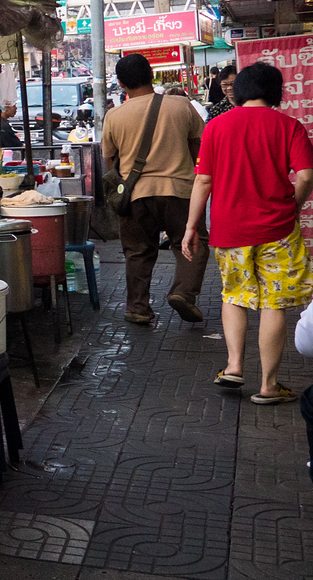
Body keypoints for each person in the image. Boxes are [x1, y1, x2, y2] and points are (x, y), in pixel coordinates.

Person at [182, 62, 313, 405]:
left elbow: (204, 180)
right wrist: (293, 206)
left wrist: (191, 226)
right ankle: (269, 386)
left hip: (229, 229)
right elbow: (306, 176)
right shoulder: (289, 126)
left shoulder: (217, 126)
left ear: (238, 90)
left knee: (234, 295)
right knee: (274, 302)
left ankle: (234, 366)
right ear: (275, 92)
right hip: (279, 230)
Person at [102, 53, 208, 324]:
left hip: (136, 195)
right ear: (152, 75)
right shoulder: (181, 106)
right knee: (192, 241)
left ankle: (137, 308)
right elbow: (200, 148)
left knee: (137, 250)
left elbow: (111, 161)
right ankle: (183, 292)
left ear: (121, 83)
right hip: (181, 191)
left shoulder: (114, 116)